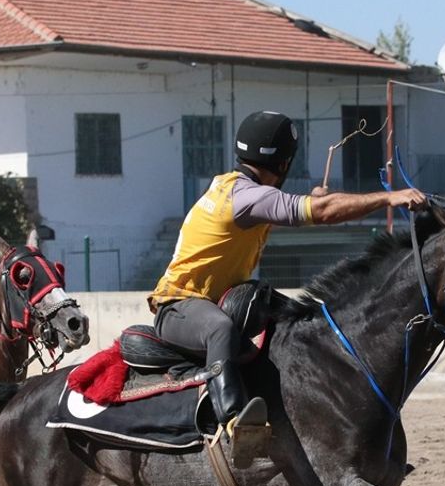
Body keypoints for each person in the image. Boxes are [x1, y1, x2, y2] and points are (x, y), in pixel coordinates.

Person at [148, 110, 426, 461]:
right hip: (178, 309)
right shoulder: (249, 197)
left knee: (298, 323)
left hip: (213, 301)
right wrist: (389, 198)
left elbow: (291, 208)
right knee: (220, 329)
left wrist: (314, 199)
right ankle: (234, 421)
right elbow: (321, 212)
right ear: (283, 161)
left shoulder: (234, 189)